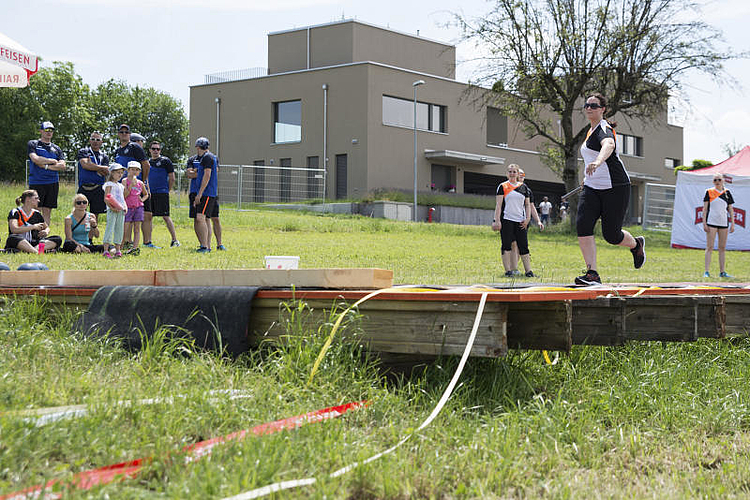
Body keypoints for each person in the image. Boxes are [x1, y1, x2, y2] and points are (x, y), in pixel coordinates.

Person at [575, 93, 645, 285]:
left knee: (612, 235)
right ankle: (592, 274)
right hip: (592, 187)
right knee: (582, 224)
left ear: (603, 109)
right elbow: (589, 157)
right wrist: (586, 177)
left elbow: (609, 145)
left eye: (594, 105)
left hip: (615, 187)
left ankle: (636, 244)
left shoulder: (604, 129)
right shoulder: (590, 131)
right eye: (587, 105)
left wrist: (598, 161)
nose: (589, 108)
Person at [491, 164, 535, 277]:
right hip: (506, 220)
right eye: (510, 172)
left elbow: (527, 205)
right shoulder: (503, 186)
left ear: (517, 173)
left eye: (514, 172)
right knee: (506, 245)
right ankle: (508, 271)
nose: (512, 174)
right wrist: (496, 220)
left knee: (523, 246)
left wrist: (528, 219)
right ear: (507, 173)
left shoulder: (523, 187)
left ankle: (528, 271)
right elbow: (498, 205)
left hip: (520, 221)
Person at [113, 124, 150, 249]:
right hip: (121, 186)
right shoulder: (117, 150)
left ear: (129, 134)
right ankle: (125, 241)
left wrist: (142, 181)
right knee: (123, 215)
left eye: (126, 132)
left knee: (134, 218)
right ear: (118, 134)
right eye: (121, 132)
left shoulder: (134, 147)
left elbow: (146, 165)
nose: (124, 134)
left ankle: (132, 244)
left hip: (134, 188)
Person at [27, 121, 66, 226]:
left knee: (47, 211)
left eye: (51, 130)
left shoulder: (56, 148)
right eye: (46, 130)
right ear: (41, 131)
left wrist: (46, 166)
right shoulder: (33, 144)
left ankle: (45, 236)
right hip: (37, 181)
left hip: (52, 182)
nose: (49, 132)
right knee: (36, 209)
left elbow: (62, 165)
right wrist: (51, 161)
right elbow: (35, 159)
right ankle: (34, 236)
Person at [186, 137, 218, 253]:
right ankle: (206, 246)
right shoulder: (203, 158)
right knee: (204, 219)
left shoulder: (208, 157)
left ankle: (205, 246)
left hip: (207, 193)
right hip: (203, 192)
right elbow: (190, 174)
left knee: (201, 218)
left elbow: (207, 175)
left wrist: (199, 194)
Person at [5, 189, 62, 253]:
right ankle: (37, 251)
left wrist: (46, 231)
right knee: (12, 238)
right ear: (28, 199)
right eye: (36, 198)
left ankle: (32, 250)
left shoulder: (36, 213)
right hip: (19, 242)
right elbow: (14, 229)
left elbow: (46, 227)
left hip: (34, 243)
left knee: (57, 239)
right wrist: (33, 227)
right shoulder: (15, 212)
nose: (38, 200)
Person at [146, 141, 180, 247]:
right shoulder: (147, 162)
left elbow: (172, 178)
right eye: (153, 149)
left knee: (165, 216)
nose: (155, 151)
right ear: (150, 150)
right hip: (150, 194)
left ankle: (175, 240)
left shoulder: (166, 161)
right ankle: (148, 241)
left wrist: (166, 190)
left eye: (158, 149)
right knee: (148, 217)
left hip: (162, 193)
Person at [703, 173, 735, 278]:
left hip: (723, 223)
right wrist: (704, 222)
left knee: (722, 248)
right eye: (715, 180)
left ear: (723, 181)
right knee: (710, 247)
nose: (717, 182)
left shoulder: (727, 193)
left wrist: (733, 223)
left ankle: (722, 272)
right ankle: (706, 271)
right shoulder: (709, 192)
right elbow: (705, 208)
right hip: (711, 222)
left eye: (719, 180)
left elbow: (730, 209)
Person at [76, 131, 110, 223]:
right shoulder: (83, 151)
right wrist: (100, 168)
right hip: (84, 187)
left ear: (101, 142)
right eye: (93, 139)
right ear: (89, 140)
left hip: (98, 188)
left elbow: (106, 172)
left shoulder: (104, 156)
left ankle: (90, 237)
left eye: (98, 139)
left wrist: (92, 165)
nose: (95, 141)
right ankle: (80, 235)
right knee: (80, 213)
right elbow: (85, 165)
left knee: (94, 216)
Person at [123, 161, 149, 255]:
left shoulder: (140, 183)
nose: (134, 172)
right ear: (128, 170)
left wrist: (142, 200)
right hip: (128, 207)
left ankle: (135, 247)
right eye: (132, 169)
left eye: (137, 170)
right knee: (125, 227)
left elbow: (146, 194)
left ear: (139, 172)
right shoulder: (124, 181)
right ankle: (122, 245)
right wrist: (130, 185)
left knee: (137, 228)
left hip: (138, 207)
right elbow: (124, 195)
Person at [102, 163, 127, 258]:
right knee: (110, 228)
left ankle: (118, 249)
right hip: (112, 210)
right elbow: (106, 197)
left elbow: (122, 198)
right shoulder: (109, 184)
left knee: (119, 229)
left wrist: (125, 207)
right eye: (117, 172)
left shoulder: (121, 186)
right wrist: (112, 207)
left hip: (121, 210)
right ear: (111, 173)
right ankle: (106, 250)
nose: (120, 175)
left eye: (121, 173)